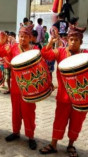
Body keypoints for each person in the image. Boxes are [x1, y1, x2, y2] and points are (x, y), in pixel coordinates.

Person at [39, 26, 87, 157]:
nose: (73, 42)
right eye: (71, 39)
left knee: (77, 122)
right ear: (67, 39)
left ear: (80, 42)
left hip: (81, 98)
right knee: (59, 120)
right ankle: (53, 144)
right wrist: (50, 42)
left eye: (76, 40)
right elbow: (44, 54)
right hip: (63, 97)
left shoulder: (86, 54)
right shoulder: (60, 52)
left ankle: (71, 145)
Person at [0, 25, 39, 150]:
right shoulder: (13, 48)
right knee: (16, 111)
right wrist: (2, 43)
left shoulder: (35, 49)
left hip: (29, 88)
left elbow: (40, 66)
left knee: (29, 113)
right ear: (18, 37)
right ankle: (16, 132)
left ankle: (31, 136)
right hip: (15, 86)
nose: (23, 39)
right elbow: (1, 53)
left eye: (25, 37)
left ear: (30, 37)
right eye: (21, 36)